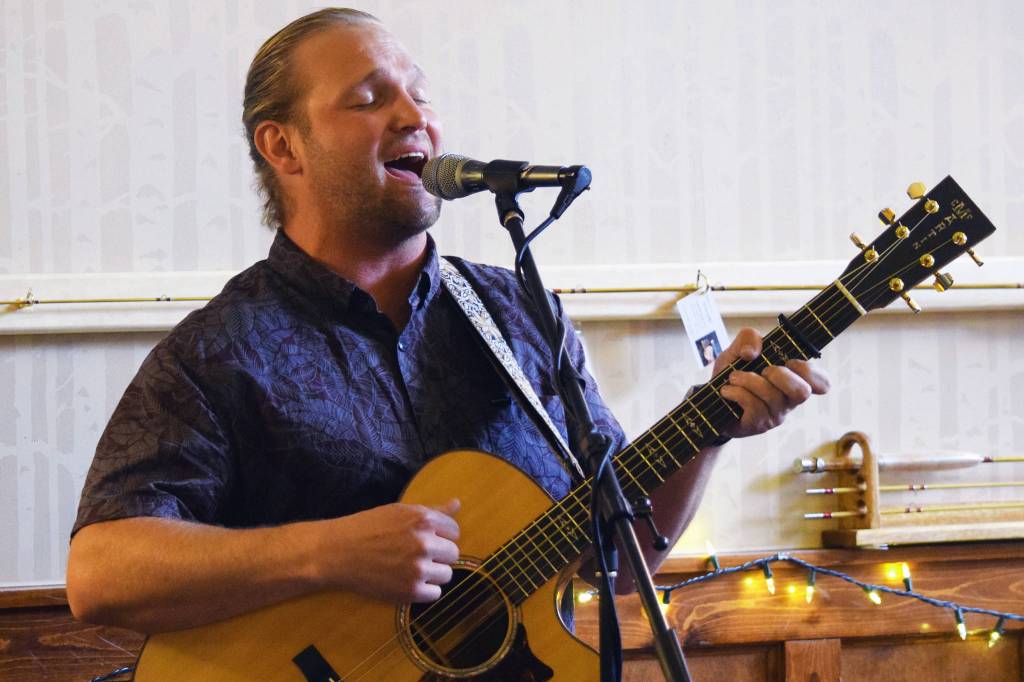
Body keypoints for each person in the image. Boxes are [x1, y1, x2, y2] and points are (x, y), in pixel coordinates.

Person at [65, 8, 829, 635]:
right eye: (368, 100)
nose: (414, 118)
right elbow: (102, 573)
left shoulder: (519, 310)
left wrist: (709, 428)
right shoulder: (222, 351)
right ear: (282, 145)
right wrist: (324, 553)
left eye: (421, 97)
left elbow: (616, 559)